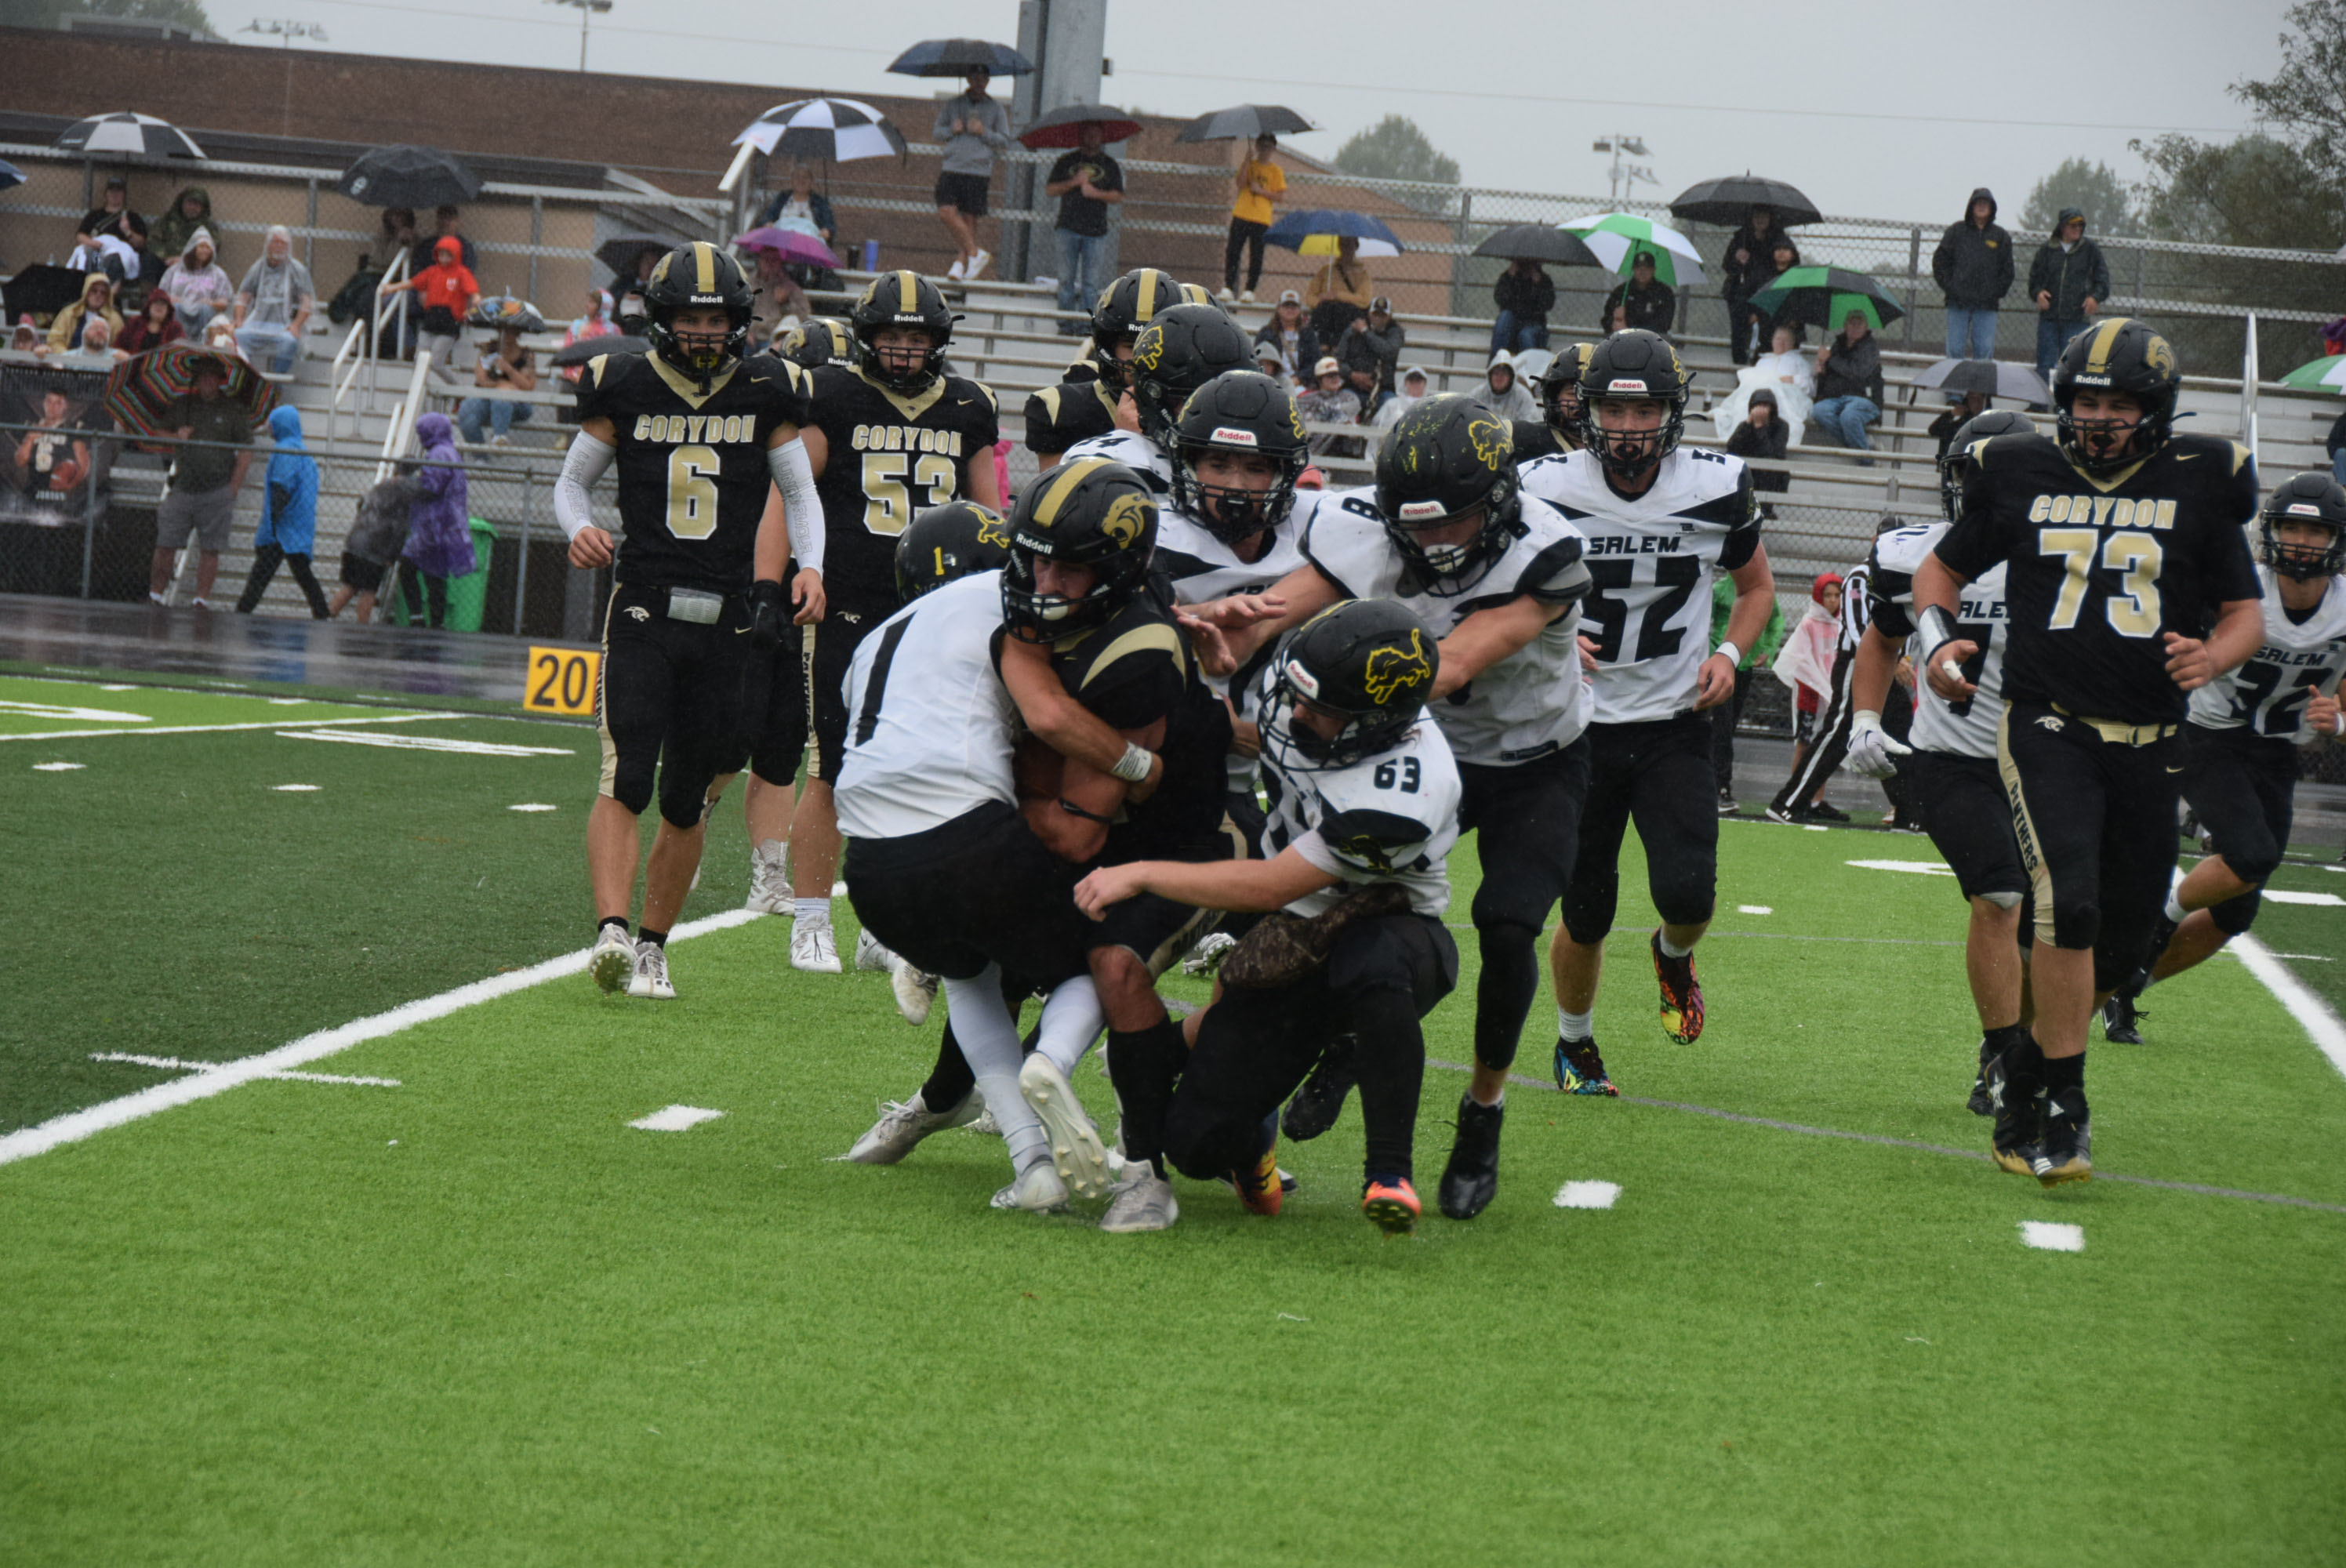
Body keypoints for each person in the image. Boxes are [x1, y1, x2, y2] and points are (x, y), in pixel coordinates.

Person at [1182, 395, 1596, 1223]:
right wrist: (1235, 624)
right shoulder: (1369, 528)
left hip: (1529, 758)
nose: (1436, 543)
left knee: (1510, 920)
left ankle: (1482, 1108)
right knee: (1337, 908)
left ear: (1500, 498)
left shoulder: (1545, 553)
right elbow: (1281, 602)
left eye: (1455, 522)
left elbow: (1444, 667)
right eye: (1421, 527)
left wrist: (1315, 662)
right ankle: (1340, 1034)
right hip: (1410, 753)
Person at [1915, 318, 2265, 1186]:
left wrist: (2214, 655)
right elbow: (1939, 573)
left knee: (2117, 945)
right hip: (2048, 724)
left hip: (2152, 738)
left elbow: (2243, 610)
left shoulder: (2202, 478)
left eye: (2117, 403)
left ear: (2155, 409)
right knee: (2064, 905)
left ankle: (2024, 1072)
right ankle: (2063, 1109)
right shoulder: (2020, 468)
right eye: (2084, 400)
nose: (2099, 417)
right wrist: (1936, 642)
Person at [1078, 597, 1465, 1234]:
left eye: (1321, 710)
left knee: (1373, 964)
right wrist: (1211, 680)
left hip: (1391, 928)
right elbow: (1267, 741)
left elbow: (1266, 884)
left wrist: (1141, 872)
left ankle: (1389, 1171)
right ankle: (1245, 1117)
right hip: (1292, 933)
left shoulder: (1409, 789)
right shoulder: (1312, 696)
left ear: (1374, 723)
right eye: (1298, 695)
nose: (1298, 711)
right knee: (1196, 1145)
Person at [552, 241, 824, 1000]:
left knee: (686, 793)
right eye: (689, 317)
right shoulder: (625, 383)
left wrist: (811, 567)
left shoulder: (767, 387)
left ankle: (653, 944)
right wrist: (578, 527)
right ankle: (611, 928)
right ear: (662, 319)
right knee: (629, 769)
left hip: (731, 611)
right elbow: (572, 483)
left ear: (737, 320)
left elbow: (800, 495)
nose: (704, 331)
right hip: (644, 598)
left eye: (715, 318)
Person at [1520, 328, 1776, 1094]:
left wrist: (1729, 654)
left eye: (1645, 412)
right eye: (1614, 410)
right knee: (1586, 905)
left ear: (1673, 411)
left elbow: (1757, 586)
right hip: (1576, 729)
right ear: (1587, 408)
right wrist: (1548, 642)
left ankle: (1670, 953)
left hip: (1673, 721)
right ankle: (1575, 1042)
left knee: (1689, 893)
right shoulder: (1543, 483)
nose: (1629, 429)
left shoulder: (1717, 481)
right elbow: (1501, 592)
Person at [829, 536, 1111, 1215]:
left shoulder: (873, 642)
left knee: (969, 977)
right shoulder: (1011, 607)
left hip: (868, 867)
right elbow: (1045, 725)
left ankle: (1031, 1163)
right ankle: (1054, 1063)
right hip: (964, 833)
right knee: (1102, 957)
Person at [788, 270, 1000, 972]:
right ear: (866, 337)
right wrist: (799, 568)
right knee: (831, 762)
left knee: (913, 763)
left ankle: (884, 923)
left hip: (932, 612)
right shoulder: (835, 394)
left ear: (937, 341)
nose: (904, 349)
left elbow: (987, 515)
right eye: (891, 335)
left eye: (916, 336)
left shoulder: (969, 406)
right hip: (849, 598)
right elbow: (794, 490)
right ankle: (812, 915)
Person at [2100, 474, 2346, 1041]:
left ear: (2336, 540)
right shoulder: (2237, 589)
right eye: (2291, 526)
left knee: (2237, 912)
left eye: (2316, 529)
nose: (2302, 541)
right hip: (2208, 735)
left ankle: (2130, 985)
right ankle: (2155, 926)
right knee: (2250, 854)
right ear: (2272, 531)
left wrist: (2339, 722)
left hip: (2278, 751)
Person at [1846, 408, 2037, 1112]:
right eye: (1970, 475)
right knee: (2000, 895)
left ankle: (2011, 1044)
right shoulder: (1913, 554)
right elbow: (1882, 639)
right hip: (1953, 759)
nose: (1983, 490)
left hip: (2049, 764)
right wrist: (1866, 717)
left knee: (2055, 927)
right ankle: (2007, 1051)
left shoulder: (2069, 556)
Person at [148, 359, 252, 609]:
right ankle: (155, 596)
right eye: (203, 376)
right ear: (196, 379)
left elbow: (246, 450)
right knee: (165, 544)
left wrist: (234, 487)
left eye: (212, 377)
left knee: (211, 549)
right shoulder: (183, 405)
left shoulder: (233, 410)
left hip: (217, 490)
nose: (207, 381)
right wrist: (177, 436)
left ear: (221, 380)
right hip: (183, 486)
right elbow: (157, 433)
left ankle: (201, 601)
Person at [232, 405, 330, 618]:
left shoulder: (286, 450)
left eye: (273, 424)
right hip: (298, 525)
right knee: (303, 574)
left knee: (262, 574)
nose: (270, 428)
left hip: (282, 528)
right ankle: (322, 613)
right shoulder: (304, 452)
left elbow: (282, 486)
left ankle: (243, 611)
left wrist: (273, 521)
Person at [1767, 572, 1851, 821]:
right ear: (1818, 596)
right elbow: (1798, 659)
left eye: (1837, 595)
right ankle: (1800, 797)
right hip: (1810, 697)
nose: (1833, 601)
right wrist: (1818, 682)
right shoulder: (1808, 624)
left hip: (1832, 694)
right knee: (1805, 747)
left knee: (1822, 748)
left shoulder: (1842, 625)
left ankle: (1817, 800)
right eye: (1827, 595)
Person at [1708, 568, 1785, 811]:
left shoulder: (1761, 590)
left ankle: (1715, 785)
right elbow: (1700, 622)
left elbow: (1775, 619)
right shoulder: (1720, 590)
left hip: (1744, 665)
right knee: (1720, 727)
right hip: (1721, 666)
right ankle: (1721, 788)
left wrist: (1768, 649)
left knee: (1728, 727)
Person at [932, 67, 1011, 281]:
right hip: (953, 166)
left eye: (983, 78)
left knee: (969, 218)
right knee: (946, 211)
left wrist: (983, 132)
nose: (979, 82)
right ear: (968, 79)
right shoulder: (954, 105)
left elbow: (1004, 140)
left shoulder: (996, 108)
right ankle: (975, 253)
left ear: (987, 81)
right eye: (975, 78)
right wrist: (952, 130)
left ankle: (961, 263)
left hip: (978, 170)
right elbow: (937, 131)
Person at [1045, 121, 1125, 322]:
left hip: (1096, 231)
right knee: (1066, 280)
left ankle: (1085, 325)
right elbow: (1050, 190)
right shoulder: (1067, 161)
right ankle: (1064, 323)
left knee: (1091, 283)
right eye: (1088, 134)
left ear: (1102, 136)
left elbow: (1117, 196)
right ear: (1082, 135)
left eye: (1096, 134)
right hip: (1067, 228)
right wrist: (1074, 182)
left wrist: (1094, 192)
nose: (1092, 138)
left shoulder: (1109, 164)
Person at [398, 413, 473, 628]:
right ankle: (437, 622)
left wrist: (409, 485)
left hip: (434, 523)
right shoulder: (450, 452)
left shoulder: (439, 453)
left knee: (409, 567)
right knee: (435, 574)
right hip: (445, 521)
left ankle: (418, 617)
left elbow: (432, 486)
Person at [1931, 187, 2014, 361]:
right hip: (1958, 303)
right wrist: (1951, 287)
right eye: (1978, 203)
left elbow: (2008, 271)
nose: (1982, 206)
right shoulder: (1956, 231)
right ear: (1971, 206)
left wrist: (1995, 292)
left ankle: (1979, 389)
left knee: (1984, 351)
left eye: (1986, 203)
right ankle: (1954, 388)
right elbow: (1940, 261)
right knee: (1954, 350)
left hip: (1987, 305)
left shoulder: (2001, 236)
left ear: (1992, 208)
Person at [329, 466, 419, 622]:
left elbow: (360, 504)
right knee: (370, 590)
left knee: (350, 586)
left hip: (357, 540)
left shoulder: (379, 486)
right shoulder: (404, 496)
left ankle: (327, 616)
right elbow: (399, 528)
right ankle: (362, 627)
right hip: (377, 546)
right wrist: (393, 555)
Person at [2028, 208, 2110, 380]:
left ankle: (2068, 404)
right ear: (2063, 227)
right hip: (2049, 318)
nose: (2077, 229)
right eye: (2073, 225)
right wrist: (2038, 294)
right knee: (2045, 362)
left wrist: (2095, 297)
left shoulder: (2090, 250)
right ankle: (2041, 404)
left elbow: (2103, 280)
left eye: (2081, 225)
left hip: (2077, 319)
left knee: (2073, 364)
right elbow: (2034, 280)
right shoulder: (2047, 250)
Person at [379, 236, 479, 371]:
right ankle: (419, 386)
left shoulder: (462, 273)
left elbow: (472, 291)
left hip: (449, 321)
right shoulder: (432, 272)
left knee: (436, 362)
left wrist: (476, 300)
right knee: (419, 358)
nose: (443, 258)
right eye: (441, 254)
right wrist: (392, 287)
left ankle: (454, 385)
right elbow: (412, 282)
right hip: (431, 319)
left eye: (448, 255)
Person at [232, 226, 316, 375]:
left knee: (290, 342)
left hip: (283, 326)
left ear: (288, 247)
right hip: (257, 323)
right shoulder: (257, 267)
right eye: (275, 242)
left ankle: (276, 381)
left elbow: (307, 303)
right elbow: (243, 297)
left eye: (283, 243)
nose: (279, 246)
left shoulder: (297, 269)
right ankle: (248, 376)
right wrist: (239, 319)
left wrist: (296, 325)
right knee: (237, 337)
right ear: (267, 245)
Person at [1808, 310, 1884, 459]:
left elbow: (1857, 372)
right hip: (1837, 398)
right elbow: (1833, 373)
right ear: (1845, 325)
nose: (1855, 327)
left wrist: (1830, 359)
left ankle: (1867, 460)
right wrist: (1822, 369)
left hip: (1864, 399)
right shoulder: (1838, 345)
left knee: (1849, 416)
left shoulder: (1871, 348)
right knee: (1818, 411)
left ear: (1866, 326)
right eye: (1851, 323)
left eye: (1859, 323)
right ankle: (1865, 446)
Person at [1221, 132, 1285, 302]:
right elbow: (1240, 184)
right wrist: (1246, 162)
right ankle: (1228, 286)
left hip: (1261, 218)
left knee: (1256, 254)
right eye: (1262, 146)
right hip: (1242, 213)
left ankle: (1250, 289)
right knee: (1233, 251)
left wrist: (1261, 191)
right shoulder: (1250, 165)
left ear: (1273, 149)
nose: (1264, 150)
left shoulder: (1275, 171)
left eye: (1268, 147)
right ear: (1257, 146)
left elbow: (1279, 195)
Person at [457, 321, 538, 446]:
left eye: (511, 331)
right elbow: (481, 379)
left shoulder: (526, 355)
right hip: (487, 398)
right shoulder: (488, 349)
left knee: (502, 398)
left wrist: (509, 370)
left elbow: (528, 387)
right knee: (467, 411)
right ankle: (481, 459)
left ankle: (499, 437)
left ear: (518, 332)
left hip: (518, 403)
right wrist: (501, 385)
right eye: (503, 330)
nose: (506, 334)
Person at [1721, 205, 1782, 367]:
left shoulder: (1777, 240)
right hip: (1739, 294)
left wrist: (1752, 261)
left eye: (1764, 216)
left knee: (1764, 337)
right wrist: (1737, 259)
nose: (1760, 220)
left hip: (1764, 295)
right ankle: (1739, 367)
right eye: (1756, 216)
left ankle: (1759, 367)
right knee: (1739, 336)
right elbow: (1727, 265)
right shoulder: (1741, 238)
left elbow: (1775, 270)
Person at [13, 390, 89, 514]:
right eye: (49, 402)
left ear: (66, 405)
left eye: (58, 403)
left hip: (60, 494)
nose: (52, 407)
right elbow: (20, 462)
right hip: (34, 489)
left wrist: (70, 485)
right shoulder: (32, 426)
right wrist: (31, 438)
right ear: (43, 403)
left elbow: (84, 464)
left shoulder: (73, 428)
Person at [1514, 343, 1590, 462]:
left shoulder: (1615, 448)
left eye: (1589, 394)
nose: (1580, 401)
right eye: (1572, 393)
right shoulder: (1529, 440)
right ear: (1554, 397)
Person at [158, 229, 234, 338]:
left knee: (206, 309)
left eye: (208, 248)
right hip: (180, 311)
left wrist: (211, 303)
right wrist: (169, 298)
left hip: (203, 315)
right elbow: (160, 295)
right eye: (201, 247)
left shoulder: (218, 274)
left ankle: (201, 343)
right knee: (176, 307)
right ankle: (177, 340)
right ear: (192, 248)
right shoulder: (175, 270)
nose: (205, 250)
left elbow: (224, 303)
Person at [1723, 387, 1789, 514]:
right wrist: (1747, 426)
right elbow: (1731, 448)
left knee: (1770, 467)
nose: (1760, 410)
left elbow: (1773, 453)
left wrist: (1760, 428)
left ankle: (1765, 508)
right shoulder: (1745, 426)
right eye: (1757, 406)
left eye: (1765, 406)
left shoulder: (1781, 427)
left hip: (1770, 474)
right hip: (1749, 470)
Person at [1305, 235, 1375, 346]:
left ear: (1356, 247)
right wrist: (1321, 299)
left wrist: (1337, 295)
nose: (1346, 248)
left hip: (1348, 318)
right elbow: (1310, 298)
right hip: (1326, 317)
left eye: (1349, 245)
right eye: (1343, 244)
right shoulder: (1326, 271)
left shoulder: (1362, 274)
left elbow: (1365, 300)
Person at [1337, 295, 1403, 412]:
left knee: (1394, 409)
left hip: (1383, 390)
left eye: (1383, 315)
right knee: (1342, 405)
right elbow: (1339, 361)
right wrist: (1352, 375)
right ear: (1369, 314)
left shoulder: (1396, 333)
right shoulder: (1352, 332)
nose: (1378, 318)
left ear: (1390, 317)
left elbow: (1388, 352)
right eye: (1375, 314)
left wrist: (1366, 332)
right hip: (1352, 387)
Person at [1296, 355, 1362, 460]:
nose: (1335, 378)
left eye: (1337, 375)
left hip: (1342, 450)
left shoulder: (1349, 396)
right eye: (1330, 375)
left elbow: (1348, 412)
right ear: (1320, 379)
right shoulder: (1307, 398)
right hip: (1313, 449)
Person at [756, 161, 837, 245]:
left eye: (805, 177)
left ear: (812, 182)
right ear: (792, 180)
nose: (801, 180)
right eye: (797, 177)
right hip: (782, 243)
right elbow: (768, 216)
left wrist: (827, 231)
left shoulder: (819, 202)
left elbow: (829, 225)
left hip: (809, 245)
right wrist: (767, 223)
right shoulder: (782, 198)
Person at [1251, 289, 1320, 387]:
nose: (1290, 310)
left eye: (1294, 306)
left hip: (1301, 384)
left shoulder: (1308, 334)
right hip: (1273, 381)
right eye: (1286, 306)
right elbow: (1259, 359)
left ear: (1299, 310)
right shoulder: (1266, 333)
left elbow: (1315, 362)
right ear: (1279, 308)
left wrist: (1299, 379)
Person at [42, 273, 122, 355]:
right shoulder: (69, 313)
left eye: (103, 293)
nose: (98, 295)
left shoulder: (115, 319)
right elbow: (55, 339)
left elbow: (118, 347)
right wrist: (67, 357)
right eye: (94, 291)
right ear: (86, 292)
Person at [1491, 258, 1554, 355]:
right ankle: (1496, 363)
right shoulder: (1508, 278)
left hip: (1534, 324)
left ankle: (1530, 368)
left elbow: (1547, 305)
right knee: (1505, 316)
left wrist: (1538, 284)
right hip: (1513, 323)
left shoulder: (1544, 280)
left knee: (1526, 335)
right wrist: (1510, 277)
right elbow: (1500, 299)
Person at [1603, 251, 1676, 336]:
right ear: (1633, 269)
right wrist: (1616, 321)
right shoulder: (1621, 292)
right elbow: (1607, 318)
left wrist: (1632, 332)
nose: (1642, 272)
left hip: (1652, 342)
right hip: (1623, 341)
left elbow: (1665, 324)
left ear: (1653, 270)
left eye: (1647, 268)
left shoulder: (1664, 293)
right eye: (1638, 268)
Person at [559, 288, 619, 383]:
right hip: (574, 379)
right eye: (587, 301)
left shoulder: (613, 330)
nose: (586, 305)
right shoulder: (576, 326)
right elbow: (567, 353)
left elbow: (615, 359)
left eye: (592, 302)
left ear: (601, 306)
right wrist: (573, 375)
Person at [1475, 350, 1538, 423]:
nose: (1499, 377)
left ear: (1511, 377)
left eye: (1504, 374)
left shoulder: (1523, 397)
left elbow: (1531, 423)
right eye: (1496, 373)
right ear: (1490, 376)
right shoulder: (1478, 395)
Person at [1927, 389, 1989, 461]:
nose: (1977, 403)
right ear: (1967, 401)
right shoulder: (1959, 422)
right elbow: (1933, 430)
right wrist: (1951, 414)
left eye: (1979, 400)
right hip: (1953, 462)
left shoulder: (1987, 420)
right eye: (1973, 399)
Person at [75, 176, 134, 250]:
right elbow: (80, 235)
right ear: (106, 193)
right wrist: (93, 243)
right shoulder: (94, 215)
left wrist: (128, 232)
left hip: (120, 252)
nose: (115, 194)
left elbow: (141, 243)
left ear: (124, 194)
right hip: (97, 249)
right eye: (112, 191)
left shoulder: (132, 217)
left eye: (118, 191)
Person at [118, 289, 183, 356]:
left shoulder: (175, 328)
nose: (159, 306)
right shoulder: (135, 323)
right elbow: (119, 345)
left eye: (163, 304)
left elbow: (181, 351)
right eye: (156, 303)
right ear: (149, 306)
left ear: (168, 310)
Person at [1376, 365, 1432, 430]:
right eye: (1412, 381)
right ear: (1405, 383)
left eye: (1418, 381)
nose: (1415, 384)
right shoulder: (1392, 404)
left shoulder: (1431, 406)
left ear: (1425, 384)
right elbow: (1379, 425)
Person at [430, 205, 478, 274]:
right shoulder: (427, 246)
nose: (446, 222)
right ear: (437, 221)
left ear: (457, 222)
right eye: (443, 218)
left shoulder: (465, 247)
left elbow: (468, 271)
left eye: (450, 219)